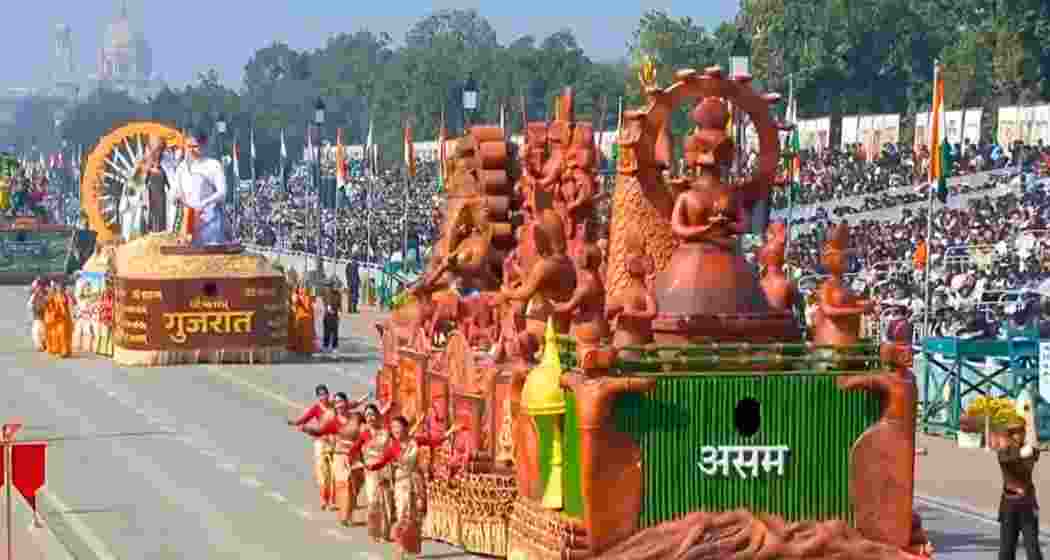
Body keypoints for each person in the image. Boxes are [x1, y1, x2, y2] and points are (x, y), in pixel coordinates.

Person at [170, 129, 228, 246]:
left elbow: (222, 192)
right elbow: (175, 190)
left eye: (195, 146)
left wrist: (205, 203)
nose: (191, 150)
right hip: (188, 220)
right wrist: (176, 197)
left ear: (203, 145)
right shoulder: (182, 167)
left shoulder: (213, 165)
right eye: (188, 146)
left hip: (209, 220)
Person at [998, 420, 1044, 560]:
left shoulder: (1030, 449)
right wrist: (1021, 452)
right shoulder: (1004, 452)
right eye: (1015, 433)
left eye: (1021, 432)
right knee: (1007, 550)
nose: (1019, 435)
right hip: (1009, 505)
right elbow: (1006, 459)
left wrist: (1032, 436)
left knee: (1033, 549)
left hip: (1027, 504)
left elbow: (1036, 452)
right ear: (1010, 435)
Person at [287, 385, 335, 510]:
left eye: (325, 394)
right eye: (321, 395)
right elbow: (305, 418)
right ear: (318, 397)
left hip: (334, 441)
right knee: (322, 473)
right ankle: (325, 499)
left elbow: (350, 406)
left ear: (328, 394)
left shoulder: (335, 405)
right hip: (321, 441)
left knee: (334, 473)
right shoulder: (316, 408)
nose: (323, 397)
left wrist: (364, 399)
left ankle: (333, 499)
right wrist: (295, 422)